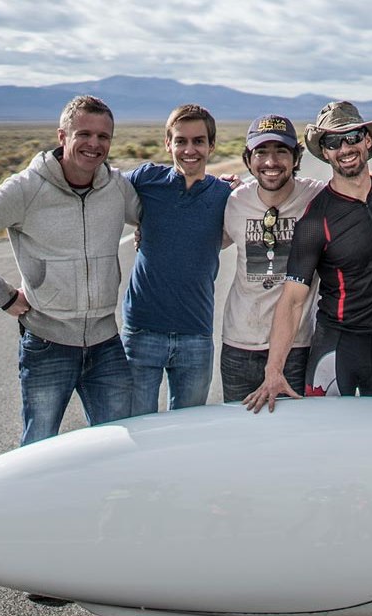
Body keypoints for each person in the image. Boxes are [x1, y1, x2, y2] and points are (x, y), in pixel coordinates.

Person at [0, 95, 139, 447]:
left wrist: (218, 189)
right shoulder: (26, 189)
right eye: (84, 134)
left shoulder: (116, 188)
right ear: (62, 136)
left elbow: (160, 216)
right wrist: (1, 296)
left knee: (120, 444)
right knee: (37, 448)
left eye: (103, 137)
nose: (94, 144)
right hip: (48, 345)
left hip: (105, 344)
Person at [245, 101, 372, 413]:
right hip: (337, 349)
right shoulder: (316, 220)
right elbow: (292, 300)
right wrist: (273, 371)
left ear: (368, 140)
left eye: (352, 137)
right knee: (322, 449)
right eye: (333, 142)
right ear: (324, 152)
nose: (345, 148)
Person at [122, 104, 230, 416]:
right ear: (168, 143)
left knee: (186, 434)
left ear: (211, 146)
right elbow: (100, 189)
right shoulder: (146, 180)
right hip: (142, 331)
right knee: (136, 430)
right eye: (181, 141)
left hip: (195, 333)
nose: (189, 149)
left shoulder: (224, 194)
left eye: (198, 141)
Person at [219, 115, 326, 402]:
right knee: (241, 434)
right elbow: (196, 240)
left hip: (296, 346)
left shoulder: (317, 197)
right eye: (261, 152)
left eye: (281, 151)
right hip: (239, 345)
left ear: (295, 157)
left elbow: (361, 186)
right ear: (248, 159)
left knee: (291, 438)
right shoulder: (233, 202)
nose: (271, 162)